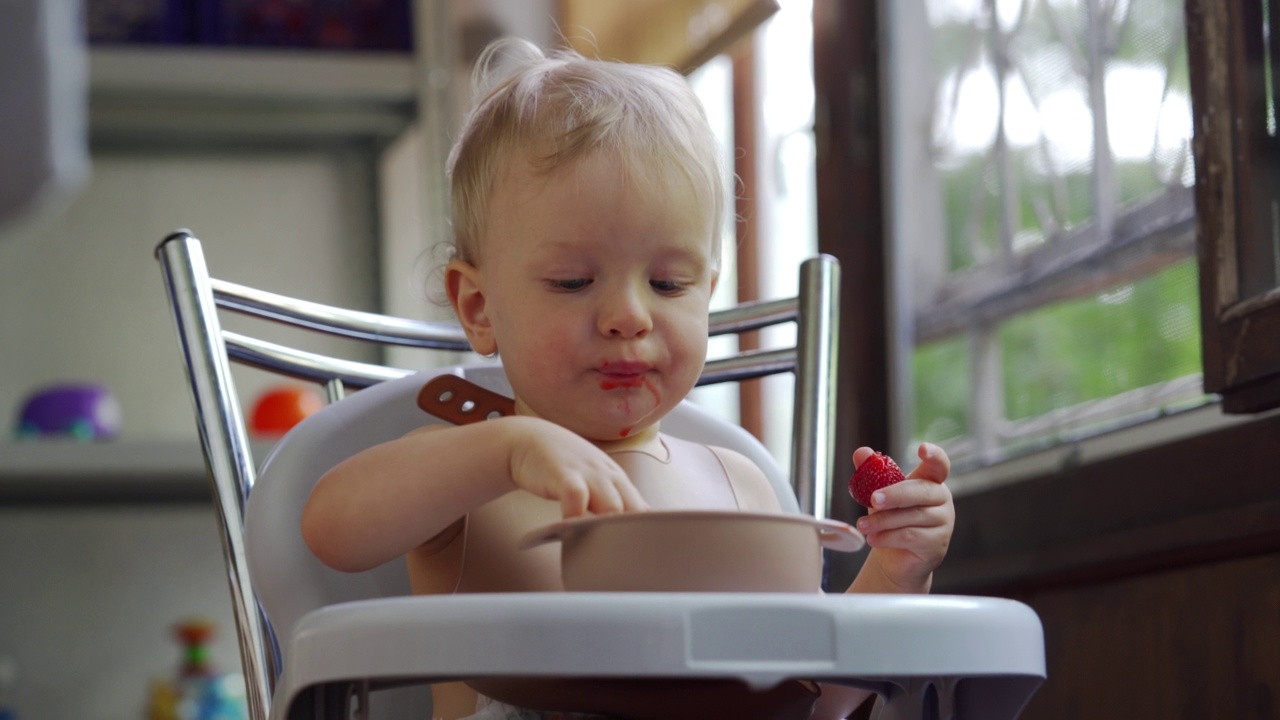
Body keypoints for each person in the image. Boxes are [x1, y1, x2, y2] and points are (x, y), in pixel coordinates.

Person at [301, 38, 955, 720]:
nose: (627, 315)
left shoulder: (741, 487)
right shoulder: (468, 484)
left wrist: (895, 571)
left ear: (708, 291)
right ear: (479, 307)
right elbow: (329, 529)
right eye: (574, 281)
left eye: (669, 283)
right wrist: (507, 449)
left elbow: (817, 699)